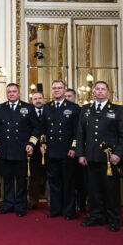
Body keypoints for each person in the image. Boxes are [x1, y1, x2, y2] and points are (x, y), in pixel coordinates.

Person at [76, 81, 123, 232]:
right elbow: (80, 134)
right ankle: (95, 216)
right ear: (93, 93)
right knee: (93, 190)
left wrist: (118, 154)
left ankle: (113, 219)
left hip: (109, 158)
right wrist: (81, 153)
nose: (99, 91)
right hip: (90, 156)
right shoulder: (86, 110)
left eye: (102, 89)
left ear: (108, 93)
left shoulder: (117, 110)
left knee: (111, 190)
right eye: (97, 89)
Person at [0, 83, 39, 217]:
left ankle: (20, 206)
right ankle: (7, 205)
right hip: (4, 150)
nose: (11, 94)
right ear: (6, 94)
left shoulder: (28, 108)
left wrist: (31, 143)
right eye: (9, 92)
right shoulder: (0, 109)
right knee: (7, 180)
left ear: (19, 93)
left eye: (14, 91)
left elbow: (37, 129)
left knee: (21, 181)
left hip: (21, 150)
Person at [42, 80, 81, 220]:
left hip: (67, 151)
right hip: (51, 151)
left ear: (65, 90)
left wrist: (74, 147)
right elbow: (43, 129)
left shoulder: (74, 107)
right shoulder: (47, 107)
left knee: (69, 183)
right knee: (54, 183)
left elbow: (77, 131)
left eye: (59, 88)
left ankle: (70, 211)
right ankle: (55, 210)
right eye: (54, 88)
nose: (57, 90)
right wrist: (43, 143)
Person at [28, 91, 47, 209]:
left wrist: (45, 144)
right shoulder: (28, 113)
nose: (38, 100)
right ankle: (33, 201)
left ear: (44, 100)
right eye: (35, 99)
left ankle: (50, 200)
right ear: (32, 101)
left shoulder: (50, 111)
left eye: (40, 98)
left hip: (48, 149)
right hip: (34, 150)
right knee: (34, 177)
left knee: (50, 176)